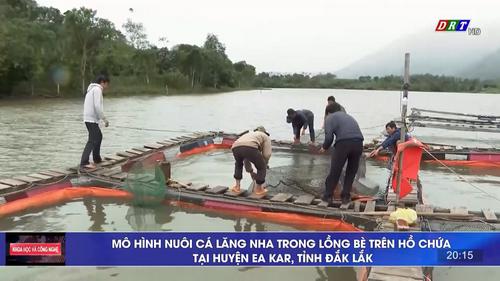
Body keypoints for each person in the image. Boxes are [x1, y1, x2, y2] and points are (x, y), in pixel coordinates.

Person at [319, 103, 364, 205]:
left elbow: (329, 137)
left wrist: (324, 147)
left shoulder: (330, 118)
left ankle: (328, 196)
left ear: (328, 112)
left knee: (336, 170)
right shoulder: (348, 116)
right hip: (359, 143)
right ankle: (345, 197)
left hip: (343, 143)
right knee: (351, 171)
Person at [231, 126, 272, 195]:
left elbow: (246, 158)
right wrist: (265, 164)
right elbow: (267, 154)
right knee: (261, 167)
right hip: (250, 147)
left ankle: (237, 187)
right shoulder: (265, 136)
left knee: (238, 165)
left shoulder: (250, 135)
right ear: (264, 132)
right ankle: (259, 189)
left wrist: (251, 172)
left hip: (235, 147)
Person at [80, 75, 110, 169]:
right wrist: (105, 119)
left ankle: (97, 158)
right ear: (102, 82)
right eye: (107, 84)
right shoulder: (97, 90)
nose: (107, 86)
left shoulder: (92, 89)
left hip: (90, 118)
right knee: (93, 140)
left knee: (98, 136)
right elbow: (97, 106)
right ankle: (84, 162)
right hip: (91, 119)